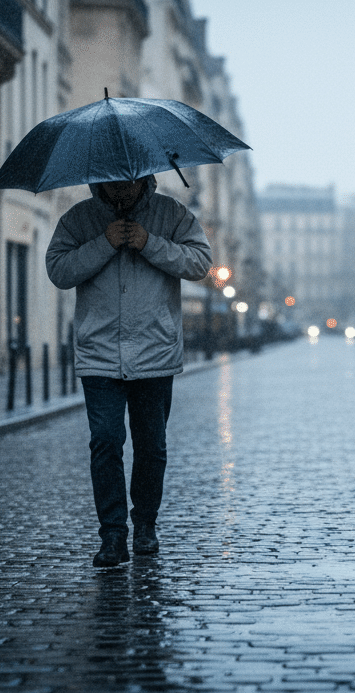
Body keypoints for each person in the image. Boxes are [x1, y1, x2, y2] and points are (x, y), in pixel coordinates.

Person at [46, 175, 212, 567]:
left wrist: (148, 242)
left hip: (154, 352)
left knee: (151, 446)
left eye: (128, 182)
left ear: (144, 178)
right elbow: (59, 270)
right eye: (112, 182)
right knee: (105, 442)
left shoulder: (171, 214)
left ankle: (145, 526)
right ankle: (113, 535)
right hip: (99, 352)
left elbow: (200, 262)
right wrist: (103, 243)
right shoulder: (79, 218)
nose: (120, 189)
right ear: (99, 180)